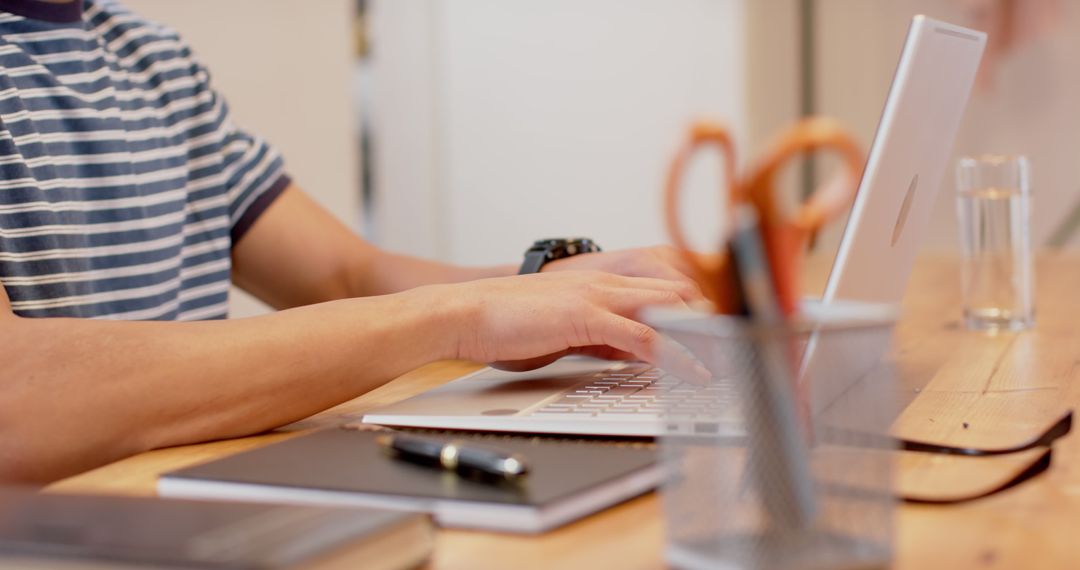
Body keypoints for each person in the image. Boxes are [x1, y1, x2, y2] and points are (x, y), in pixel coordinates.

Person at [0, 0, 701, 484]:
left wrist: (561, 287)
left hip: (182, 513)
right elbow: (15, 399)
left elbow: (343, 274)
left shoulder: (148, 55)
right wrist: (465, 315)